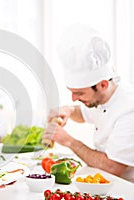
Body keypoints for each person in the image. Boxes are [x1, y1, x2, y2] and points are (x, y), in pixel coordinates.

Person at [43, 24, 134, 182]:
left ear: (103, 85)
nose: (73, 98)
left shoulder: (129, 108)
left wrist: (68, 141)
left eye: (79, 93)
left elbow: (112, 167)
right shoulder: (100, 97)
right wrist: (69, 110)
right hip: (102, 183)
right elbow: (84, 114)